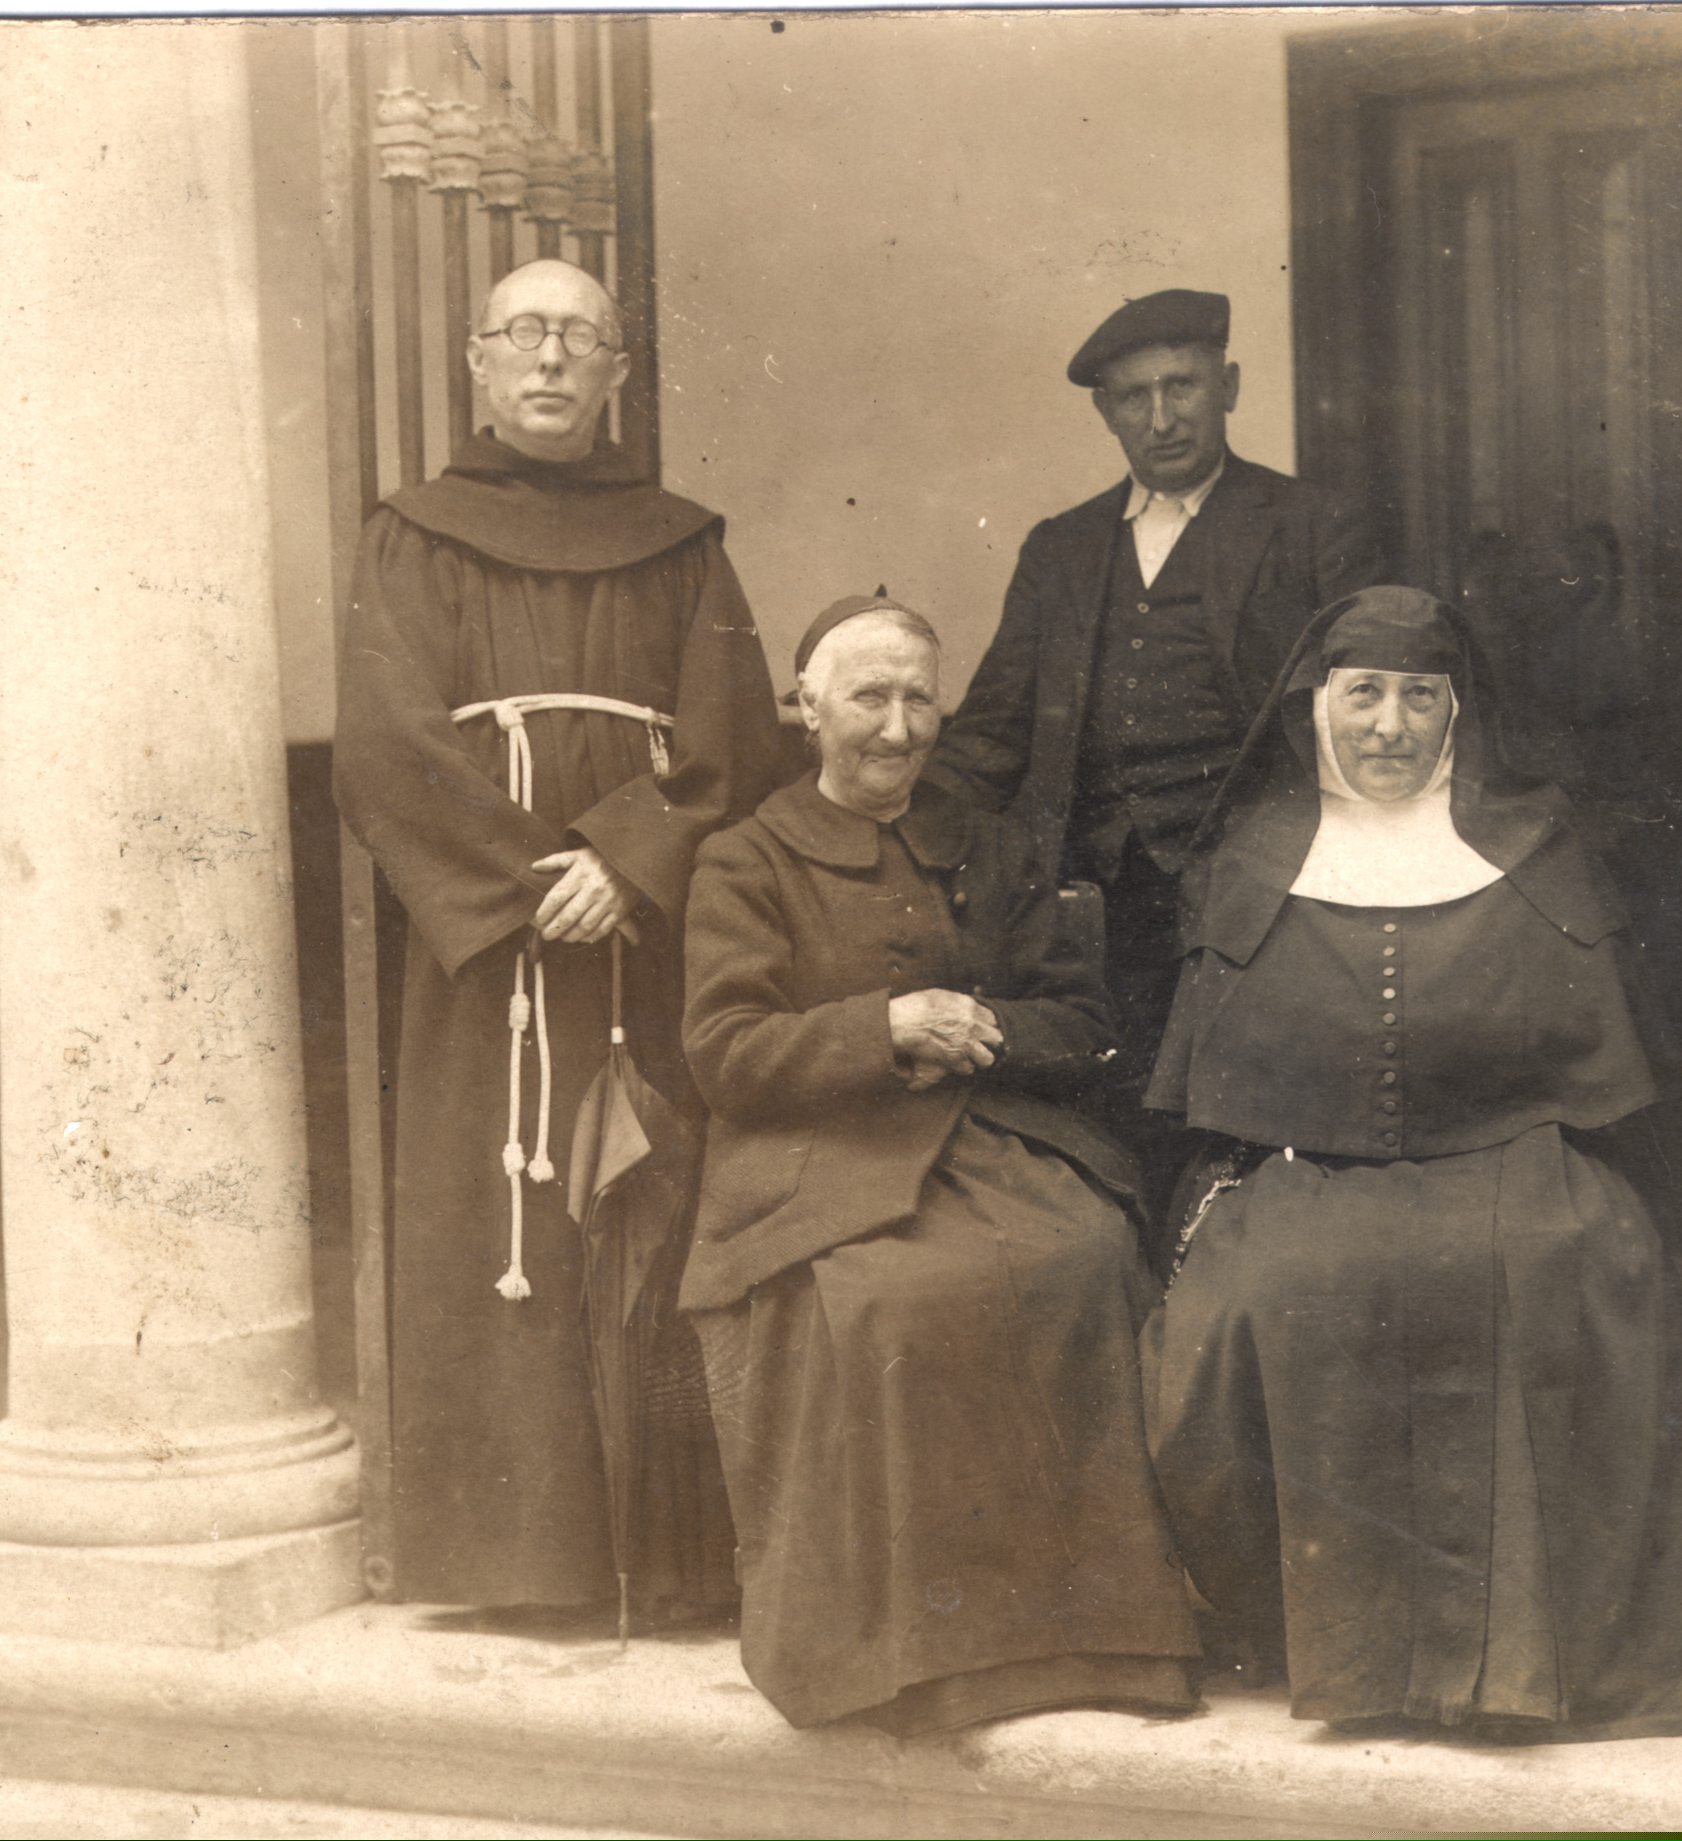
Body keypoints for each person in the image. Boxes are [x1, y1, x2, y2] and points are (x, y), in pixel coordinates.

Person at [1141, 586, 1682, 1737]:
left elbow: (1601, 1072)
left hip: (1516, 1157)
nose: (1389, 725)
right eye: (1364, 693)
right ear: (1316, 706)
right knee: (1263, 1291)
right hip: (1305, 1167)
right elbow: (1215, 1093)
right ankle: (1336, 1656)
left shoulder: (1539, 848)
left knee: (1574, 1260)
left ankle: (1534, 1662)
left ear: (1458, 714)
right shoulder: (1250, 860)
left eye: (1421, 697)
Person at [335, 259, 781, 1610]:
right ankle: (513, 1559)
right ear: (477, 360)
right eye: (523, 333)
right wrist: (534, 879)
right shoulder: (410, 537)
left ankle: (663, 1558)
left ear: (618, 372)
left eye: (580, 337)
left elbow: (733, 730)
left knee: (651, 1210)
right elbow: (384, 745)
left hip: (643, 939)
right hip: (490, 954)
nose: (549, 357)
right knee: (501, 1224)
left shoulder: (685, 545)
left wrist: (630, 863)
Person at [674, 595, 1201, 1736]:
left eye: (921, 698)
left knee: (1087, 1255)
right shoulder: (746, 858)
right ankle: (918, 1656)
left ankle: (1102, 1633)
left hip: (993, 1142)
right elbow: (726, 1052)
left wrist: (983, 1025)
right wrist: (882, 1026)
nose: (899, 727)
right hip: (821, 1159)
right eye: (869, 696)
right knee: (892, 1301)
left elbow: (1084, 1019)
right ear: (807, 706)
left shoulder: (992, 844)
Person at [925, 289, 1387, 1218]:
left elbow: (1371, 715)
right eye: (1135, 396)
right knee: (1114, 1122)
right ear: (1107, 411)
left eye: (1183, 387)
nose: (1163, 417)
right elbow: (990, 729)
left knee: (1238, 1129)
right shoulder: (1061, 548)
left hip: (1261, 888)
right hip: (1097, 893)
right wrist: (890, 820)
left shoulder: (1311, 525)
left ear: (1230, 387)